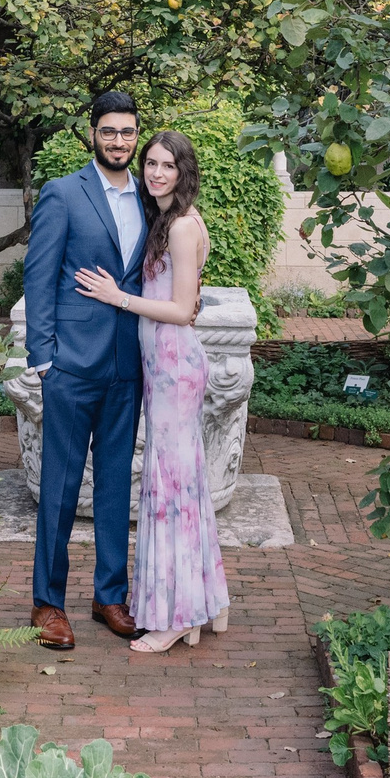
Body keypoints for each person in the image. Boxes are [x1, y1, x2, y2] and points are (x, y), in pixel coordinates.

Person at [74, 129, 230, 652]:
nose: (157, 173)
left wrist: (119, 298)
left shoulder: (183, 227)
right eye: (151, 164)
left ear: (185, 173)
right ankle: (205, 600)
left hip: (174, 367)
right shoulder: (166, 221)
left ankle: (176, 616)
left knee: (170, 491)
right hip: (160, 367)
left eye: (168, 165)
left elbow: (183, 310)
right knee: (181, 486)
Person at [22, 91, 149, 649]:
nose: (118, 141)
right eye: (109, 131)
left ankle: (109, 597)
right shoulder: (63, 194)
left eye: (127, 132)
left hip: (128, 365)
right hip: (71, 365)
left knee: (118, 486)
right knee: (60, 486)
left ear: (136, 136)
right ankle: (48, 604)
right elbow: (38, 277)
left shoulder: (152, 197)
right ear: (92, 134)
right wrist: (44, 359)